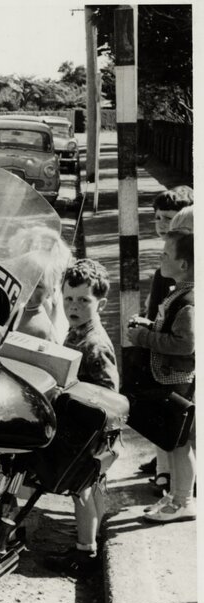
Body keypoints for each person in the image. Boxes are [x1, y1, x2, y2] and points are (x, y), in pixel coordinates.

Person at [44, 259, 119, 575]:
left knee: (82, 490)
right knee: (91, 487)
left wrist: (70, 392)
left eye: (83, 301)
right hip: (88, 429)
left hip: (94, 431)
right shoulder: (76, 332)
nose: (73, 306)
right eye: (69, 298)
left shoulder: (94, 342)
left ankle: (85, 553)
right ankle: (93, 540)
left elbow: (108, 393)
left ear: (101, 303)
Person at [128, 230, 195, 523]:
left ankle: (183, 501)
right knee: (174, 441)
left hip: (178, 380)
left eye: (166, 254)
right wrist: (151, 328)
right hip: (173, 377)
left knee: (180, 442)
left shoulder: (188, 301)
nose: (160, 258)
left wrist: (144, 337)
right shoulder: (179, 292)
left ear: (184, 264)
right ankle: (175, 497)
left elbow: (186, 344)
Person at [137, 188, 194, 490]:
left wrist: (147, 335)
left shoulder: (186, 288)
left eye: (171, 221)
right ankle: (166, 469)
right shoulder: (170, 267)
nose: (163, 227)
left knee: (176, 425)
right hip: (170, 353)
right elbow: (157, 304)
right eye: (159, 219)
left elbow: (183, 337)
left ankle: (176, 484)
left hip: (176, 366)